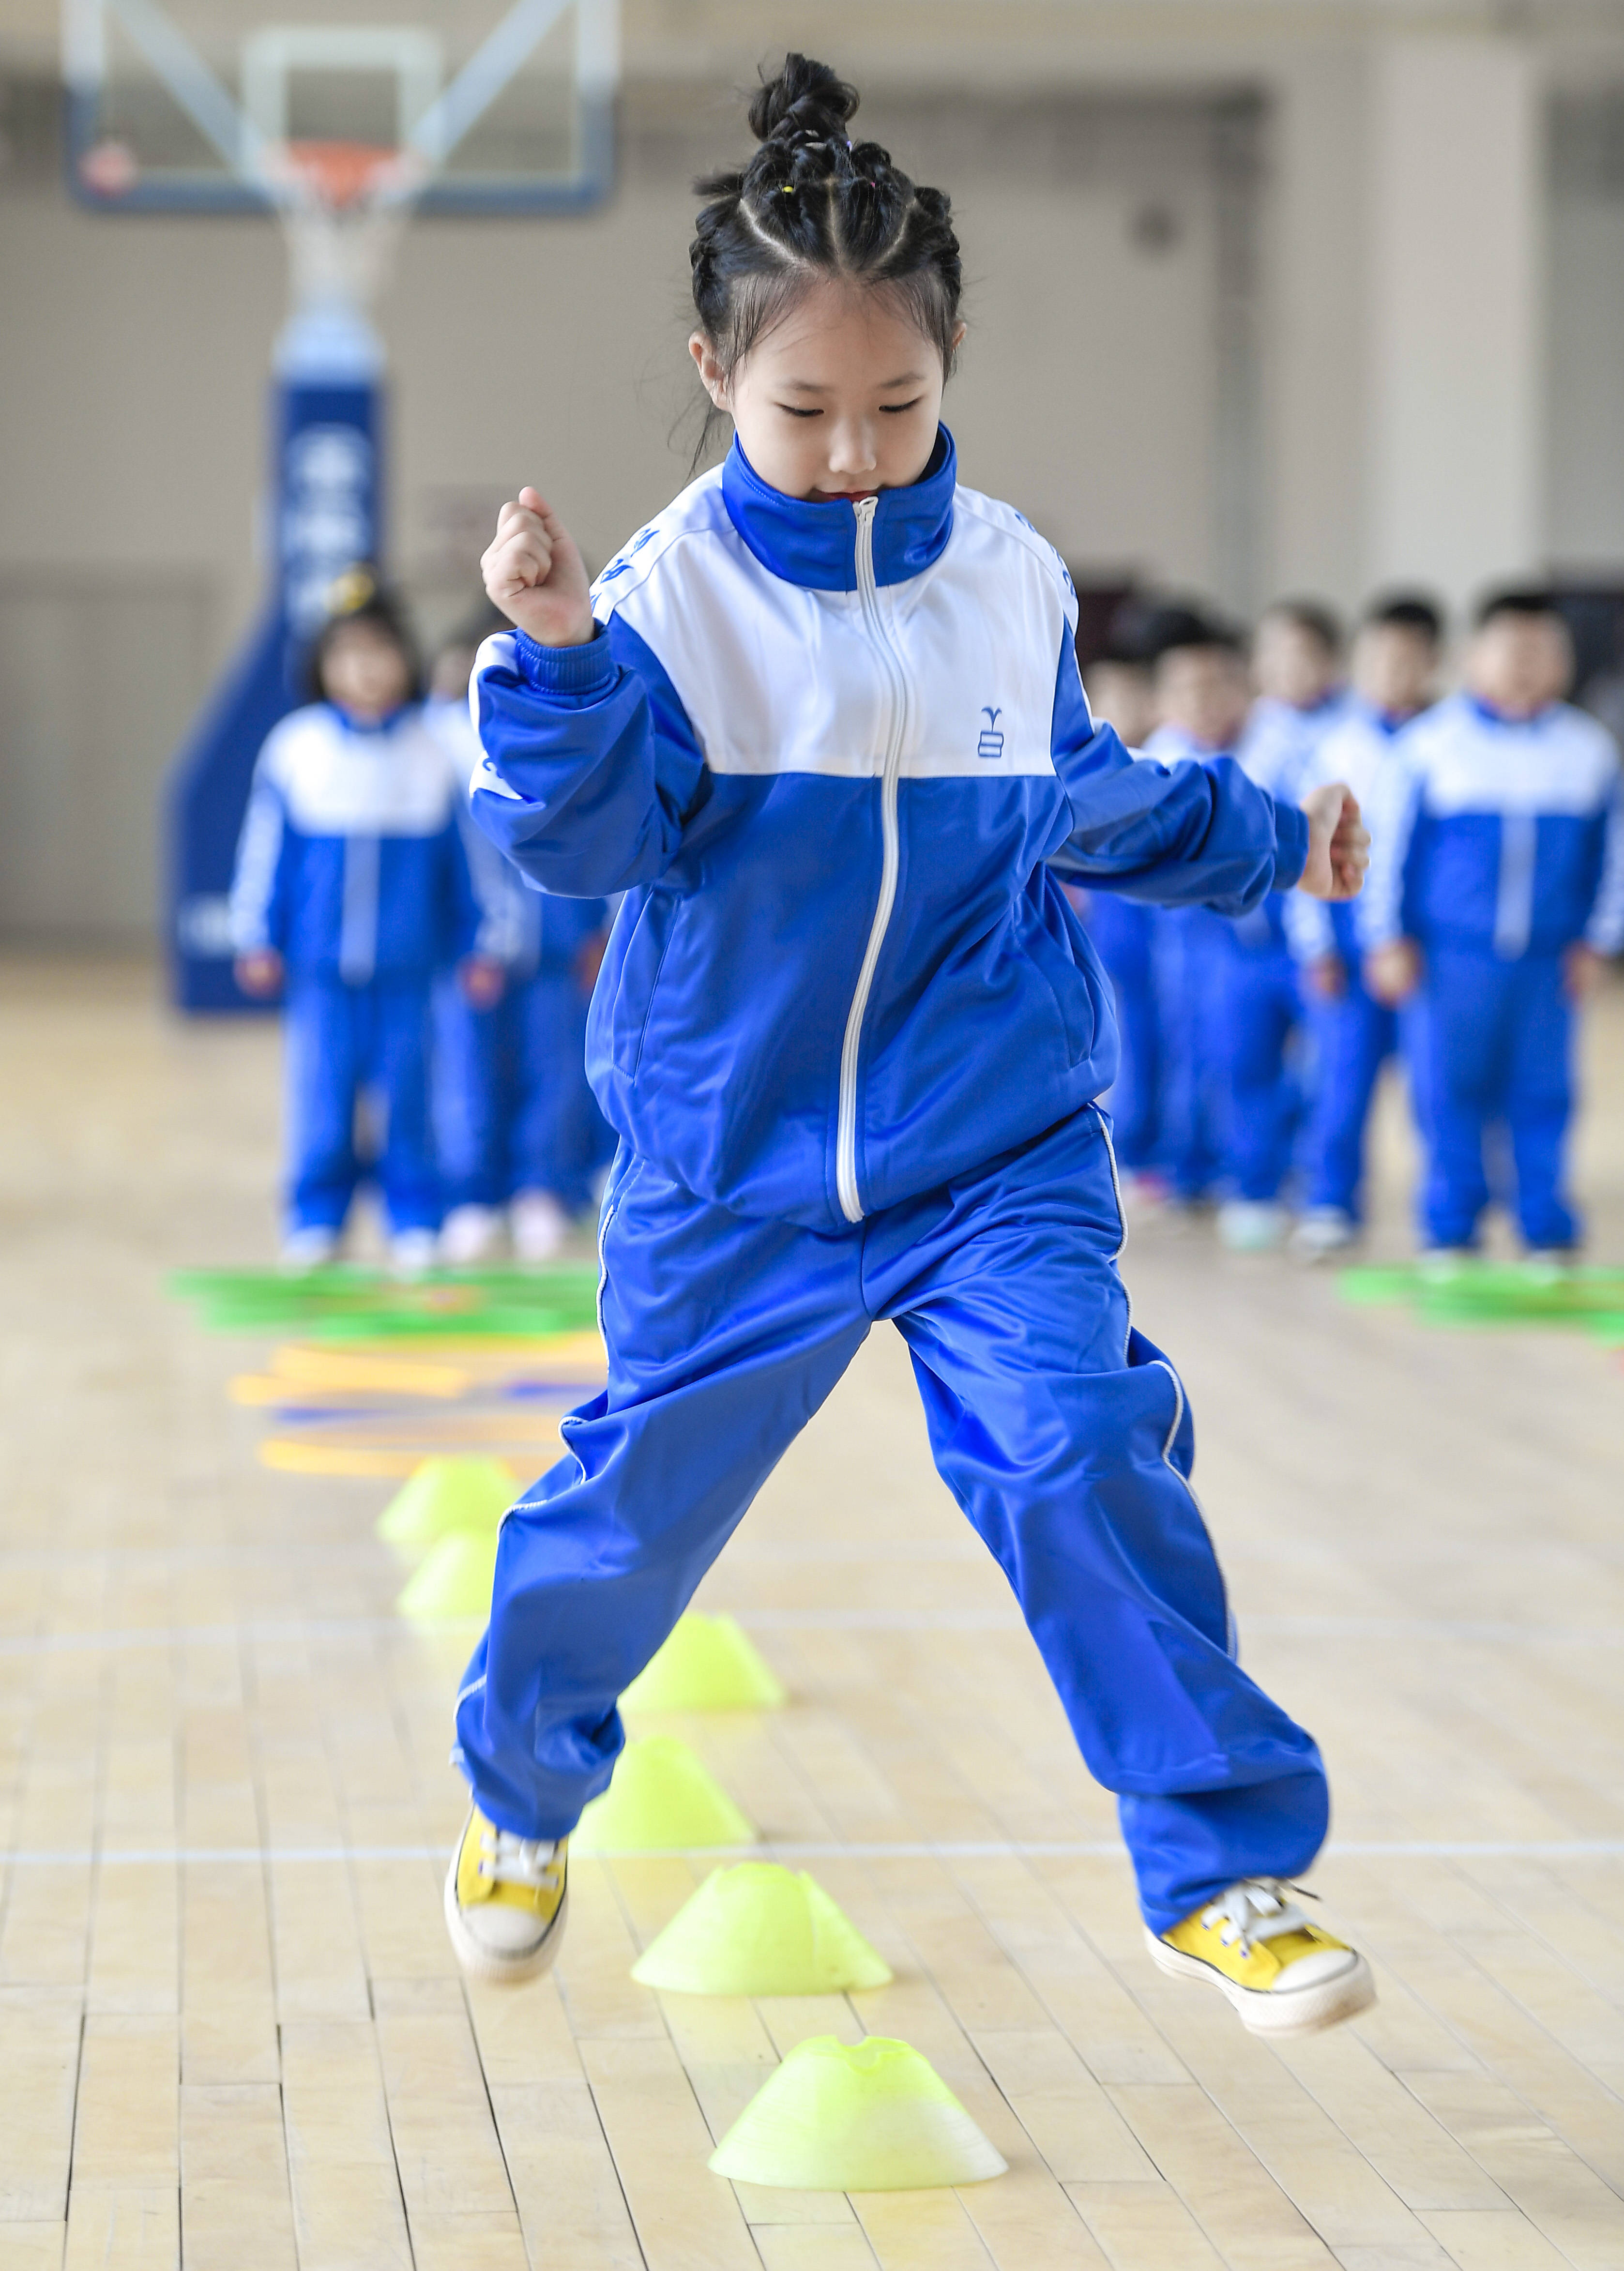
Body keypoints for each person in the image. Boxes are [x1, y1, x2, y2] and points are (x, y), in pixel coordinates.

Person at [444, 55, 1374, 2042]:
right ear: (711, 370)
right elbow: (585, 850)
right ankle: (520, 1791)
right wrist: (552, 666)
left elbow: (1085, 799)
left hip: (991, 1149)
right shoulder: (658, 604)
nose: (856, 451)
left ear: (947, 371)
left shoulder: (1008, 579)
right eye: (803, 412)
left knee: (1076, 1449)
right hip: (733, 1171)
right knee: (623, 1516)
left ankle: (1219, 1868)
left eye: (897, 407)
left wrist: (1268, 839)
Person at [229, 579, 504, 1272]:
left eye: (380, 652)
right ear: (321, 665)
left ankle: (415, 1217)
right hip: (321, 973)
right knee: (321, 1101)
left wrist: (480, 939)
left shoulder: (432, 754)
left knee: (410, 1100)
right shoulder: (296, 750)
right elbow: (265, 849)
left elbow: (470, 861)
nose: (365, 669)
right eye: (346, 654)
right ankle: (315, 1217)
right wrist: (256, 932)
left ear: (405, 660)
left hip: (410, 970)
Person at [1365, 588, 1624, 1267]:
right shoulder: (1432, 746)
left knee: (1544, 1092)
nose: (1525, 665)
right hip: (1450, 959)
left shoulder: (1586, 750)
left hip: (1546, 961)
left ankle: (1544, 1226)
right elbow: (1389, 846)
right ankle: (1450, 1228)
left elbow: (1613, 854)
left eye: (1542, 651)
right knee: (1446, 1091)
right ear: (1473, 657)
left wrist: (1597, 940)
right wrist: (1386, 937)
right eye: (1510, 649)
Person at [423, 623, 616, 1265]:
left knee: (556, 1076)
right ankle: (472, 1198)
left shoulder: (575, 747)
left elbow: (604, 851)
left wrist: (599, 930)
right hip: (473, 956)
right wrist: (465, 942)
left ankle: (543, 1190)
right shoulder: (445, 751)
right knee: (468, 1083)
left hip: (559, 954)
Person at [1288, 594, 1444, 1258]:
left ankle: (1445, 1215)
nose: (1393, 673)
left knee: (1439, 1088)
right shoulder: (1334, 748)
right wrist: (1315, 945)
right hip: (1347, 952)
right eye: (1380, 659)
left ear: (1437, 663)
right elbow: (1303, 850)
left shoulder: (1449, 744)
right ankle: (1329, 1203)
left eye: (1410, 661)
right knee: (1340, 1082)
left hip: (1426, 953)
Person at [1209, 600, 1350, 1251]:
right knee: (1246, 1067)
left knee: (1329, 1072)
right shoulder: (1245, 732)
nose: (1285, 670)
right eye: (1272, 657)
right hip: (1247, 940)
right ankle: (1253, 1188)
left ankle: (1324, 1193)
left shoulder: (1351, 733)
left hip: (1322, 940)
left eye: (1301, 656)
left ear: (1329, 661)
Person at [1138, 610, 1254, 1211]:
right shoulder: (1154, 760)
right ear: (1162, 700)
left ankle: (1252, 1172)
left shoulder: (1272, 749)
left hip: (1256, 935)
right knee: (1185, 1053)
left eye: (1219, 686)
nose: (1206, 701)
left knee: (1248, 1060)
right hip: (1183, 932)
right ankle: (1186, 1168)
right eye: (1188, 690)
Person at [1077, 648, 1161, 1183]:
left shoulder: (1167, 767)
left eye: (1135, 696)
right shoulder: (1078, 773)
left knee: (1164, 1044)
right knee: (1120, 1044)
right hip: (1109, 933)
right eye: (1110, 699)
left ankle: (1164, 1154)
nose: (1124, 709)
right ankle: (1126, 1152)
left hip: (1166, 935)